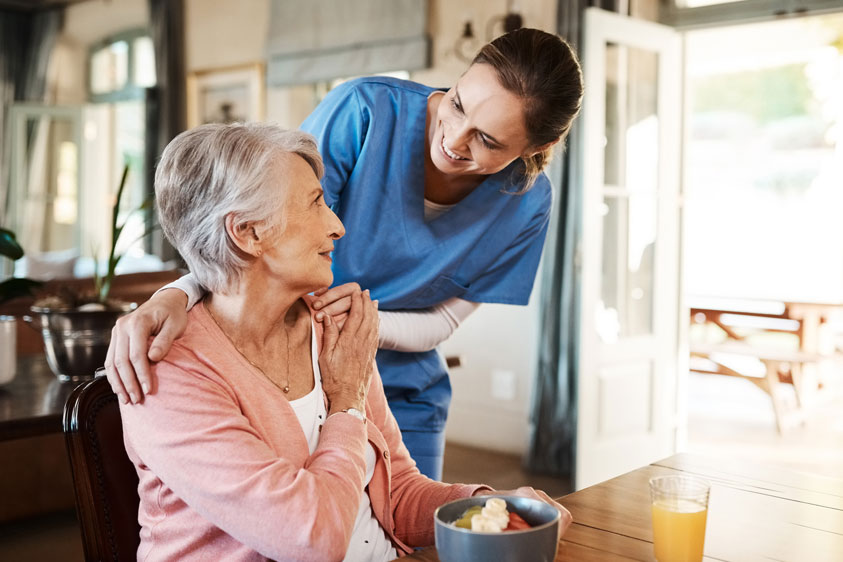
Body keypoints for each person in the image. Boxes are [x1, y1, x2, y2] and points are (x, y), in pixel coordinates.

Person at [105, 28, 584, 480]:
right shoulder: (365, 111)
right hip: (291, 370)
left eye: (487, 140)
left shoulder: (527, 204)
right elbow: (254, 226)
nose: (453, 139)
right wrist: (178, 293)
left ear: (539, 146)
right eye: (457, 104)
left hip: (403, 387)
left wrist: (359, 331)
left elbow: (444, 322)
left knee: (404, 532)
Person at [119, 122, 572, 561]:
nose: (337, 225)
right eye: (315, 203)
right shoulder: (167, 371)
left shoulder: (331, 330)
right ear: (248, 233)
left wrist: (492, 509)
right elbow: (313, 541)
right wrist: (347, 402)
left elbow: (397, 491)